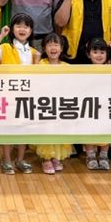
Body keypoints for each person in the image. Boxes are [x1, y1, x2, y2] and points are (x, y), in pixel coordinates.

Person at [0, 14, 40, 175]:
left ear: (31, 30)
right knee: (8, 129)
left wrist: (37, 61)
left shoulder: (34, 52)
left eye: (26, 26)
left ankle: (20, 159)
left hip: (26, 96)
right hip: (8, 96)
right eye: (18, 26)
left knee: (23, 129)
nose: (22, 29)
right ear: (12, 29)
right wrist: (1, 36)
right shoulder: (5, 47)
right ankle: (6, 160)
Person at [34, 33, 72, 174]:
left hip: (61, 105)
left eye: (56, 45)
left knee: (60, 130)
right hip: (45, 104)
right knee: (46, 130)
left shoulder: (67, 67)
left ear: (62, 48)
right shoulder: (41, 64)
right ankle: (46, 159)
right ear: (44, 48)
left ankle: (56, 156)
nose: (53, 48)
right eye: (49, 45)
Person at [83, 38, 111, 170]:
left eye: (102, 52)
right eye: (95, 52)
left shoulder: (109, 69)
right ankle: (90, 155)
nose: (99, 55)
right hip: (89, 107)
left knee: (106, 130)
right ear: (89, 54)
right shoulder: (83, 70)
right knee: (88, 131)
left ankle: (104, 155)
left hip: (105, 106)